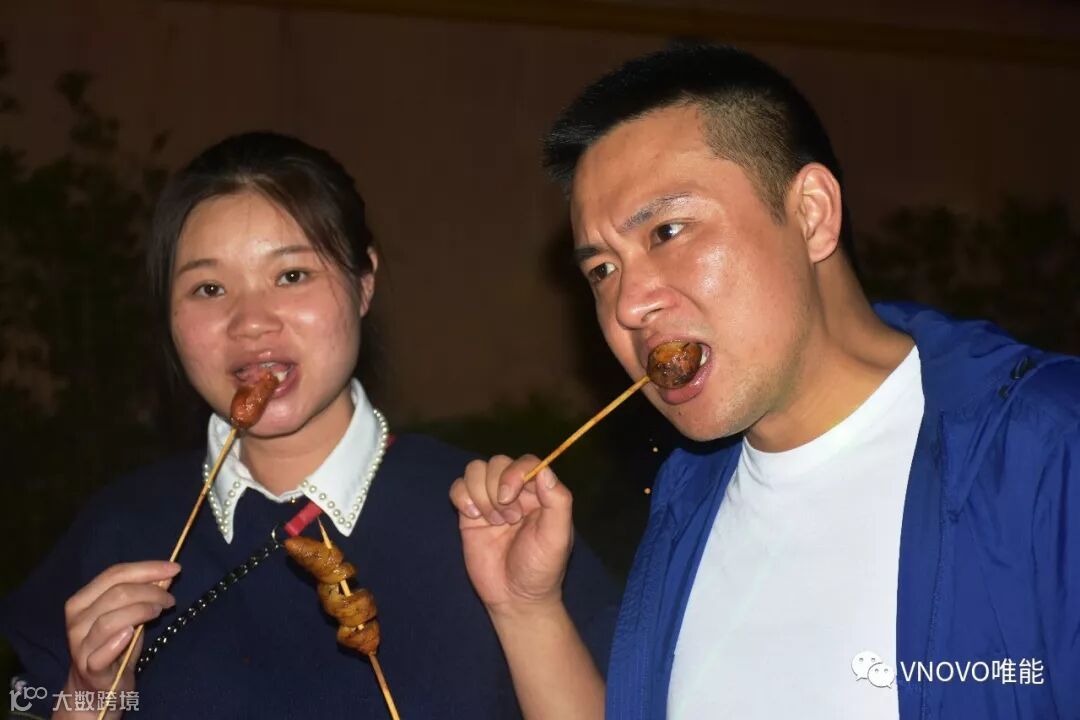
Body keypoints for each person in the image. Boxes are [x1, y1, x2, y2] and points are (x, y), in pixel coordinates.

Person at [450, 45, 1080, 720]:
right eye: (602, 270)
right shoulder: (687, 500)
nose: (628, 306)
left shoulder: (1045, 451)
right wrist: (526, 610)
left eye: (667, 231)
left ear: (812, 212)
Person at [1, 132, 618, 719]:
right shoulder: (121, 530)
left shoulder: (493, 520)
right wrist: (87, 696)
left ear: (363, 282)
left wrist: (527, 610)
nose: (250, 321)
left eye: (291, 275)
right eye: (208, 288)